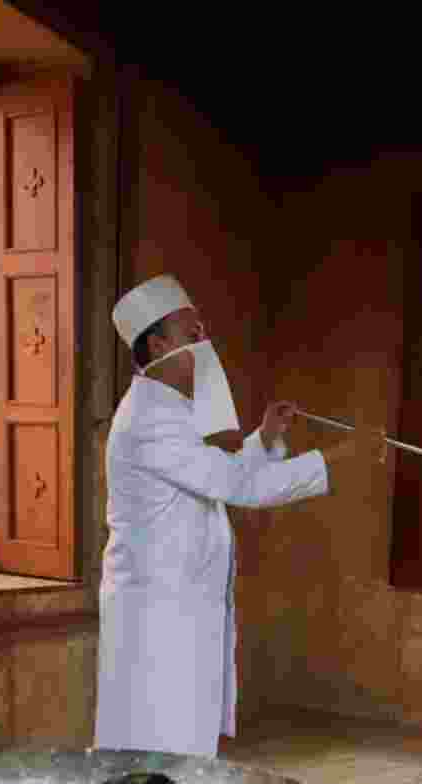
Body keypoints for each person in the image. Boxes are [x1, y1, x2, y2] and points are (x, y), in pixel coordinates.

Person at [95, 274, 356, 758]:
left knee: (180, 744)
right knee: (155, 747)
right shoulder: (148, 417)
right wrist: (335, 461)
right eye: (192, 333)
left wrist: (265, 437)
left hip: (179, 607)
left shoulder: (171, 409)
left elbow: (218, 474)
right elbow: (238, 486)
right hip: (156, 613)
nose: (204, 342)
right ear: (158, 345)